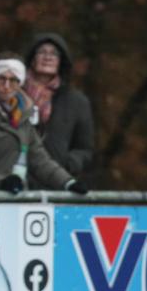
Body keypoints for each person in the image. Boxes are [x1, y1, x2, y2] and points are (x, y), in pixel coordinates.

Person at [0, 53, 88, 194]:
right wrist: (0, 183)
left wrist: (68, 182)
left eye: (13, 80)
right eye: (1, 79)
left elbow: (39, 160)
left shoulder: (23, 115)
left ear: (20, 83)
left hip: (15, 196)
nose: (7, 86)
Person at [23, 33, 94, 183]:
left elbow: (85, 149)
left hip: (57, 182)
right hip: (16, 178)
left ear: (61, 61)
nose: (47, 57)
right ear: (32, 59)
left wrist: (69, 163)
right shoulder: (14, 92)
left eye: (54, 54)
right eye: (42, 52)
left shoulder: (77, 101)